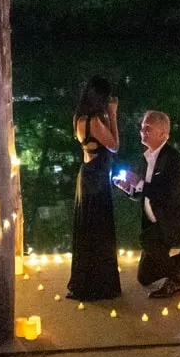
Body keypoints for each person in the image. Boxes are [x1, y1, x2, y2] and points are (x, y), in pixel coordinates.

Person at [118, 110, 180, 298]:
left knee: (147, 239)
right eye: (142, 127)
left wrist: (139, 183)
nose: (143, 131)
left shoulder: (175, 160)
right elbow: (144, 193)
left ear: (163, 134)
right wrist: (129, 189)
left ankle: (176, 280)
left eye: (148, 128)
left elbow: (167, 194)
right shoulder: (144, 160)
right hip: (155, 224)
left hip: (174, 222)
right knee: (144, 277)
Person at [66, 76, 122, 301]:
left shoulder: (80, 119)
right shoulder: (95, 122)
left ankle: (87, 281)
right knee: (99, 231)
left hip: (88, 175)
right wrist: (114, 115)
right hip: (97, 179)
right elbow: (114, 146)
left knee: (88, 230)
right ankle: (99, 285)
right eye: (107, 97)